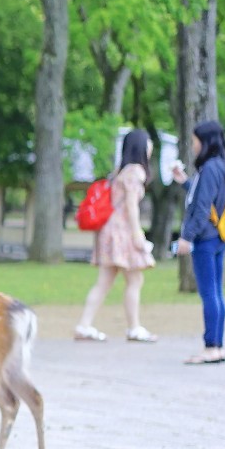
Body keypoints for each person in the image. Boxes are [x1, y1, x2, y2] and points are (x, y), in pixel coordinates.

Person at [75, 129, 157, 343]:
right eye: (148, 143)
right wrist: (138, 234)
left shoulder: (119, 171)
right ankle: (134, 328)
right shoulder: (135, 171)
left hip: (109, 232)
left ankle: (84, 325)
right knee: (135, 279)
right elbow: (131, 206)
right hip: (122, 232)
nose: (151, 148)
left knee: (104, 282)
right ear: (141, 146)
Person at [173, 119, 225, 365]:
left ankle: (211, 346)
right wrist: (185, 183)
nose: (193, 145)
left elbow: (201, 209)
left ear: (205, 141)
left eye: (195, 141)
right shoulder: (223, 166)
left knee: (209, 293)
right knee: (216, 293)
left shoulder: (210, 167)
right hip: (218, 237)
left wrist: (186, 238)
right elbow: (206, 198)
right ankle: (217, 346)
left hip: (206, 239)